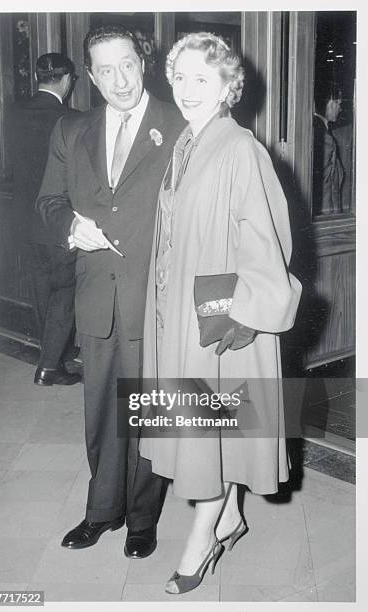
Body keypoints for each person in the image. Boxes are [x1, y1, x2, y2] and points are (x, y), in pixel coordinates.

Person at [140, 32, 302, 594]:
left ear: (229, 86)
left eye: (201, 79)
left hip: (222, 323)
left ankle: (203, 536)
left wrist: (242, 316)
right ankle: (228, 516)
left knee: (204, 429)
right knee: (214, 429)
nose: (186, 89)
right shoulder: (188, 141)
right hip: (182, 312)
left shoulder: (239, 148)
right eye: (179, 76)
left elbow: (270, 241)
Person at [36, 25, 184, 558]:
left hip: (156, 299)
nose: (118, 78)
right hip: (96, 296)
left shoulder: (181, 124)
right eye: (105, 69)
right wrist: (69, 227)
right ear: (90, 77)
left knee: (145, 409)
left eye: (126, 64)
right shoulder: (71, 131)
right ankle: (102, 511)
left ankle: (143, 517)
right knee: (99, 409)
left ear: (143, 62)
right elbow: (49, 201)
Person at [8, 52, 81, 386]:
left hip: (23, 221)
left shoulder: (14, 114)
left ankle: (53, 356)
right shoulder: (72, 119)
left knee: (41, 293)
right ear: (67, 80)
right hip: (56, 219)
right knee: (65, 293)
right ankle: (50, 366)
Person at [312, 90, 344, 215]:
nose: (340, 109)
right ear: (330, 103)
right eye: (338, 104)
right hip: (325, 210)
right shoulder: (325, 137)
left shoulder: (319, 128)